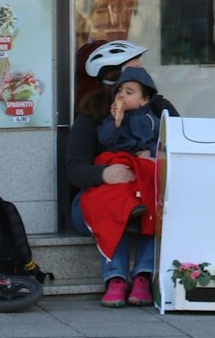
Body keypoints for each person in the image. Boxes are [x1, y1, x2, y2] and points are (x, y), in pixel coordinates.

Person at [66, 40, 179, 307]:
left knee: (154, 201)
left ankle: (142, 276)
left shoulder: (157, 109)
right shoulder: (92, 115)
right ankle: (115, 279)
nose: (143, 73)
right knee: (116, 204)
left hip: (143, 193)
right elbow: (73, 168)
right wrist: (104, 174)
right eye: (135, 68)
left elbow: (181, 148)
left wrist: (155, 155)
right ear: (114, 78)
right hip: (97, 200)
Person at [98, 66, 162, 156]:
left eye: (128, 92)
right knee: (102, 158)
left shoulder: (151, 120)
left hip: (141, 158)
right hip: (118, 157)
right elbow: (104, 140)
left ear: (144, 100)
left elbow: (163, 144)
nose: (121, 95)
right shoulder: (112, 118)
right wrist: (116, 122)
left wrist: (150, 152)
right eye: (119, 91)